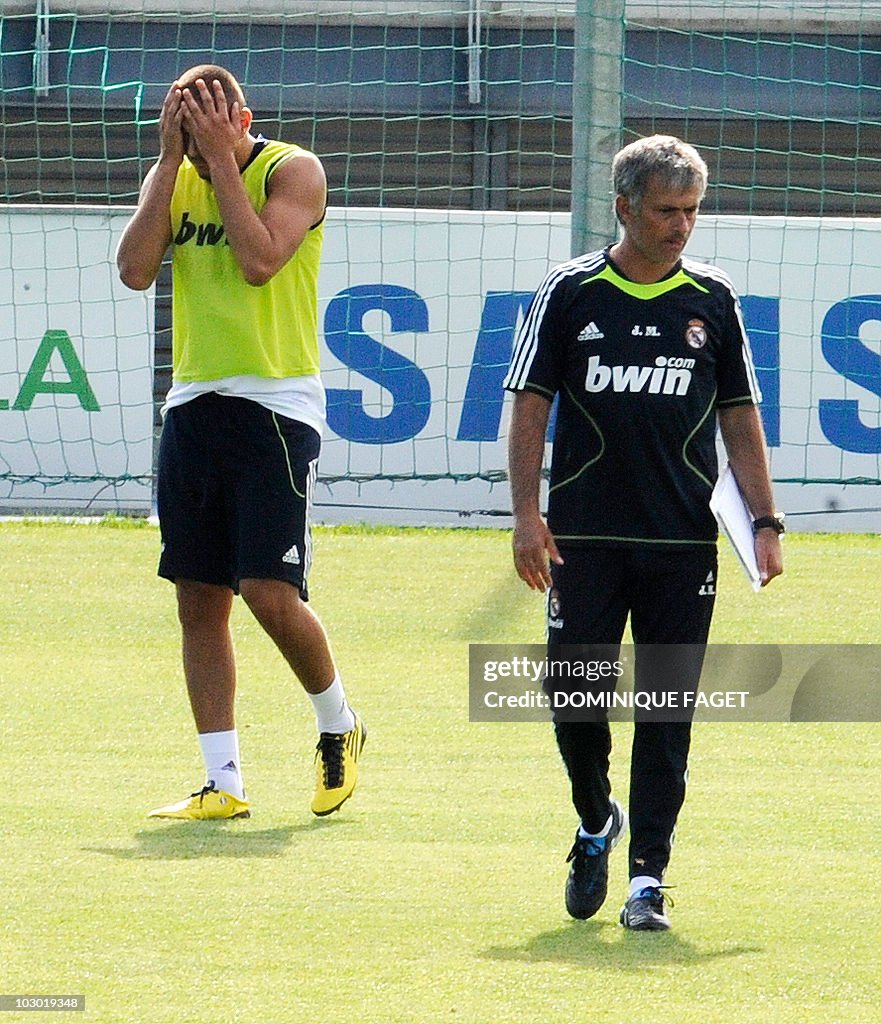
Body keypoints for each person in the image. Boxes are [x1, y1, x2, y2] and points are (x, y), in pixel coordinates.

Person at [503, 135, 783, 930]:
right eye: (666, 210)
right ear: (623, 208)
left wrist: (764, 521)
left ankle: (645, 882)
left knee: (665, 716)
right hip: (581, 542)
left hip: (681, 546)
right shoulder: (570, 291)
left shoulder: (712, 299)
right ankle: (595, 819)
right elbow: (528, 405)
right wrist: (527, 516)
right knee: (575, 703)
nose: (681, 226)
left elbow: (739, 413)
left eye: (691, 210)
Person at [116, 64, 365, 821]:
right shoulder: (177, 172)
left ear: (242, 116)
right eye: (182, 135)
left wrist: (221, 160)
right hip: (194, 402)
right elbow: (133, 271)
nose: (193, 150)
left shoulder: (293, 170)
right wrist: (168, 162)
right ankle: (221, 780)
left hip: (276, 407)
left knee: (267, 590)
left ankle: (339, 726)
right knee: (199, 599)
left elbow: (260, 262)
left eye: (203, 133)